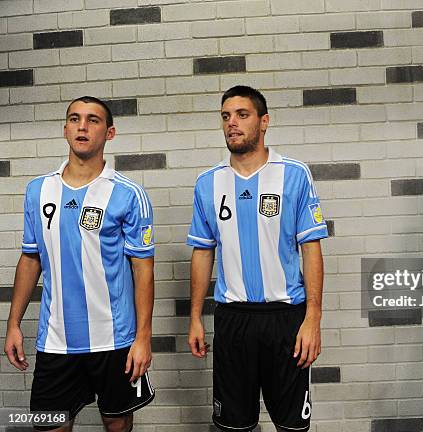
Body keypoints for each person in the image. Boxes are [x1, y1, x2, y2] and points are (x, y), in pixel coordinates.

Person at [4, 96, 155, 432]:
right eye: (74, 119)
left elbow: (143, 268)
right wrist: (13, 323)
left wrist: (143, 337)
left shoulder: (128, 194)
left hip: (114, 339)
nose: (82, 126)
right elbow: (31, 258)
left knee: (117, 425)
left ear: (110, 132)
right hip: (56, 339)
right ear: (65, 129)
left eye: (93, 120)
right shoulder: (38, 190)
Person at [187, 85, 327, 432]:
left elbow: (311, 248)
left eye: (242, 115)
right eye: (225, 116)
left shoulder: (293, 174)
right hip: (233, 319)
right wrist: (194, 316)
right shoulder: (208, 183)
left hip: (286, 319)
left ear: (264, 122)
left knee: (291, 426)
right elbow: (203, 251)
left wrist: (313, 319)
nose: (231, 123)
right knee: (233, 426)